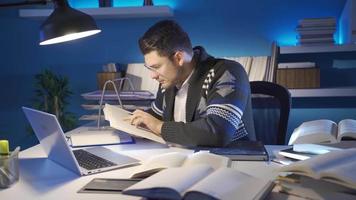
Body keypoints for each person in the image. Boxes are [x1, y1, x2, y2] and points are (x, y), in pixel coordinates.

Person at [129, 20, 255, 147]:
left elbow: (217, 132)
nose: (153, 75)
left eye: (156, 67)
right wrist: (135, 121)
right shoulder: (169, 81)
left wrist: (158, 127)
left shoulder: (227, 72)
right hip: (183, 159)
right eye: (150, 68)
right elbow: (156, 116)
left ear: (179, 58)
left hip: (232, 162)